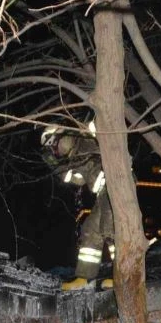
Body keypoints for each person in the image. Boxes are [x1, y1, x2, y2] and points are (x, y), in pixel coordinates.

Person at [41, 123, 114, 291]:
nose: (55, 152)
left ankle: (125, 275)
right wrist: (57, 167)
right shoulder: (75, 157)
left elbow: (100, 127)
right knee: (90, 230)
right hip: (104, 191)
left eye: (53, 146)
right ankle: (85, 279)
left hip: (116, 183)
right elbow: (78, 180)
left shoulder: (85, 136)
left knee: (111, 227)